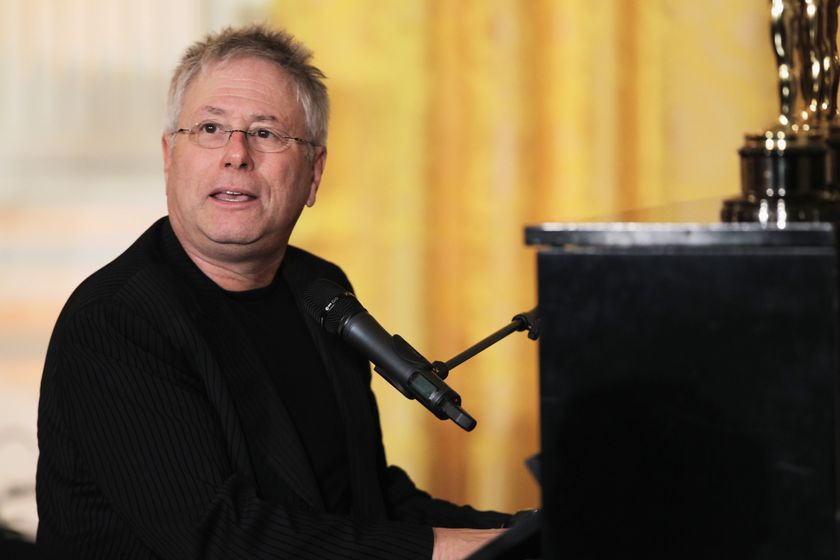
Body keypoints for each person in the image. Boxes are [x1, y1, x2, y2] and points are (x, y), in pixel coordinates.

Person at [35, 24, 511, 560]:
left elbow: (362, 498)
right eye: (211, 127)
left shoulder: (320, 292)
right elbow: (220, 537)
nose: (237, 154)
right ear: (170, 157)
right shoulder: (116, 321)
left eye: (266, 133)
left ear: (313, 174)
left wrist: (517, 531)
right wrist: (442, 549)